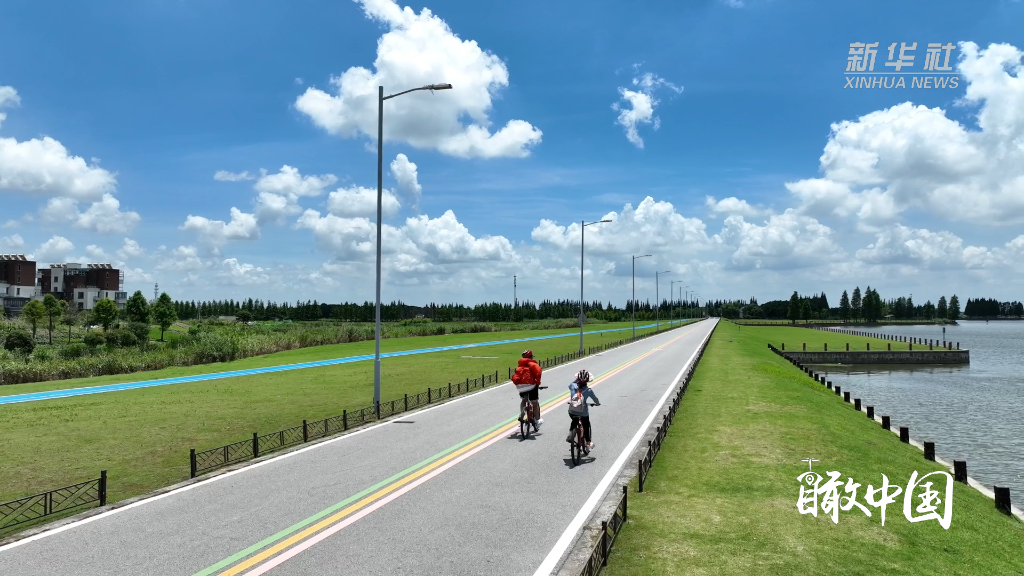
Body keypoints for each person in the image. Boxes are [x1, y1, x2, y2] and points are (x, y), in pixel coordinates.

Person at [567, 369, 600, 449]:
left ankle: (571, 434)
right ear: (587, 380)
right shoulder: (588, 390)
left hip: (572, 410)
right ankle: (588, 442)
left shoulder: (572, 385)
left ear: (577, 378)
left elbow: (571, 385)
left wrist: (577, 381)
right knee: (586, 425)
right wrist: (597, 403)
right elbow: (595, 399)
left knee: (574, 419)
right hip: (583, 412)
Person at [512, 349, 544, 430]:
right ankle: (537, 420)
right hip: (530, 386)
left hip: (520, 387)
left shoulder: (520, 365)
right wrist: (538, 382)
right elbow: (538, 372)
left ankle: (522, 414)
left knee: (523, 400)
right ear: (531, 357)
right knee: (534, 402)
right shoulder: (533, 364)